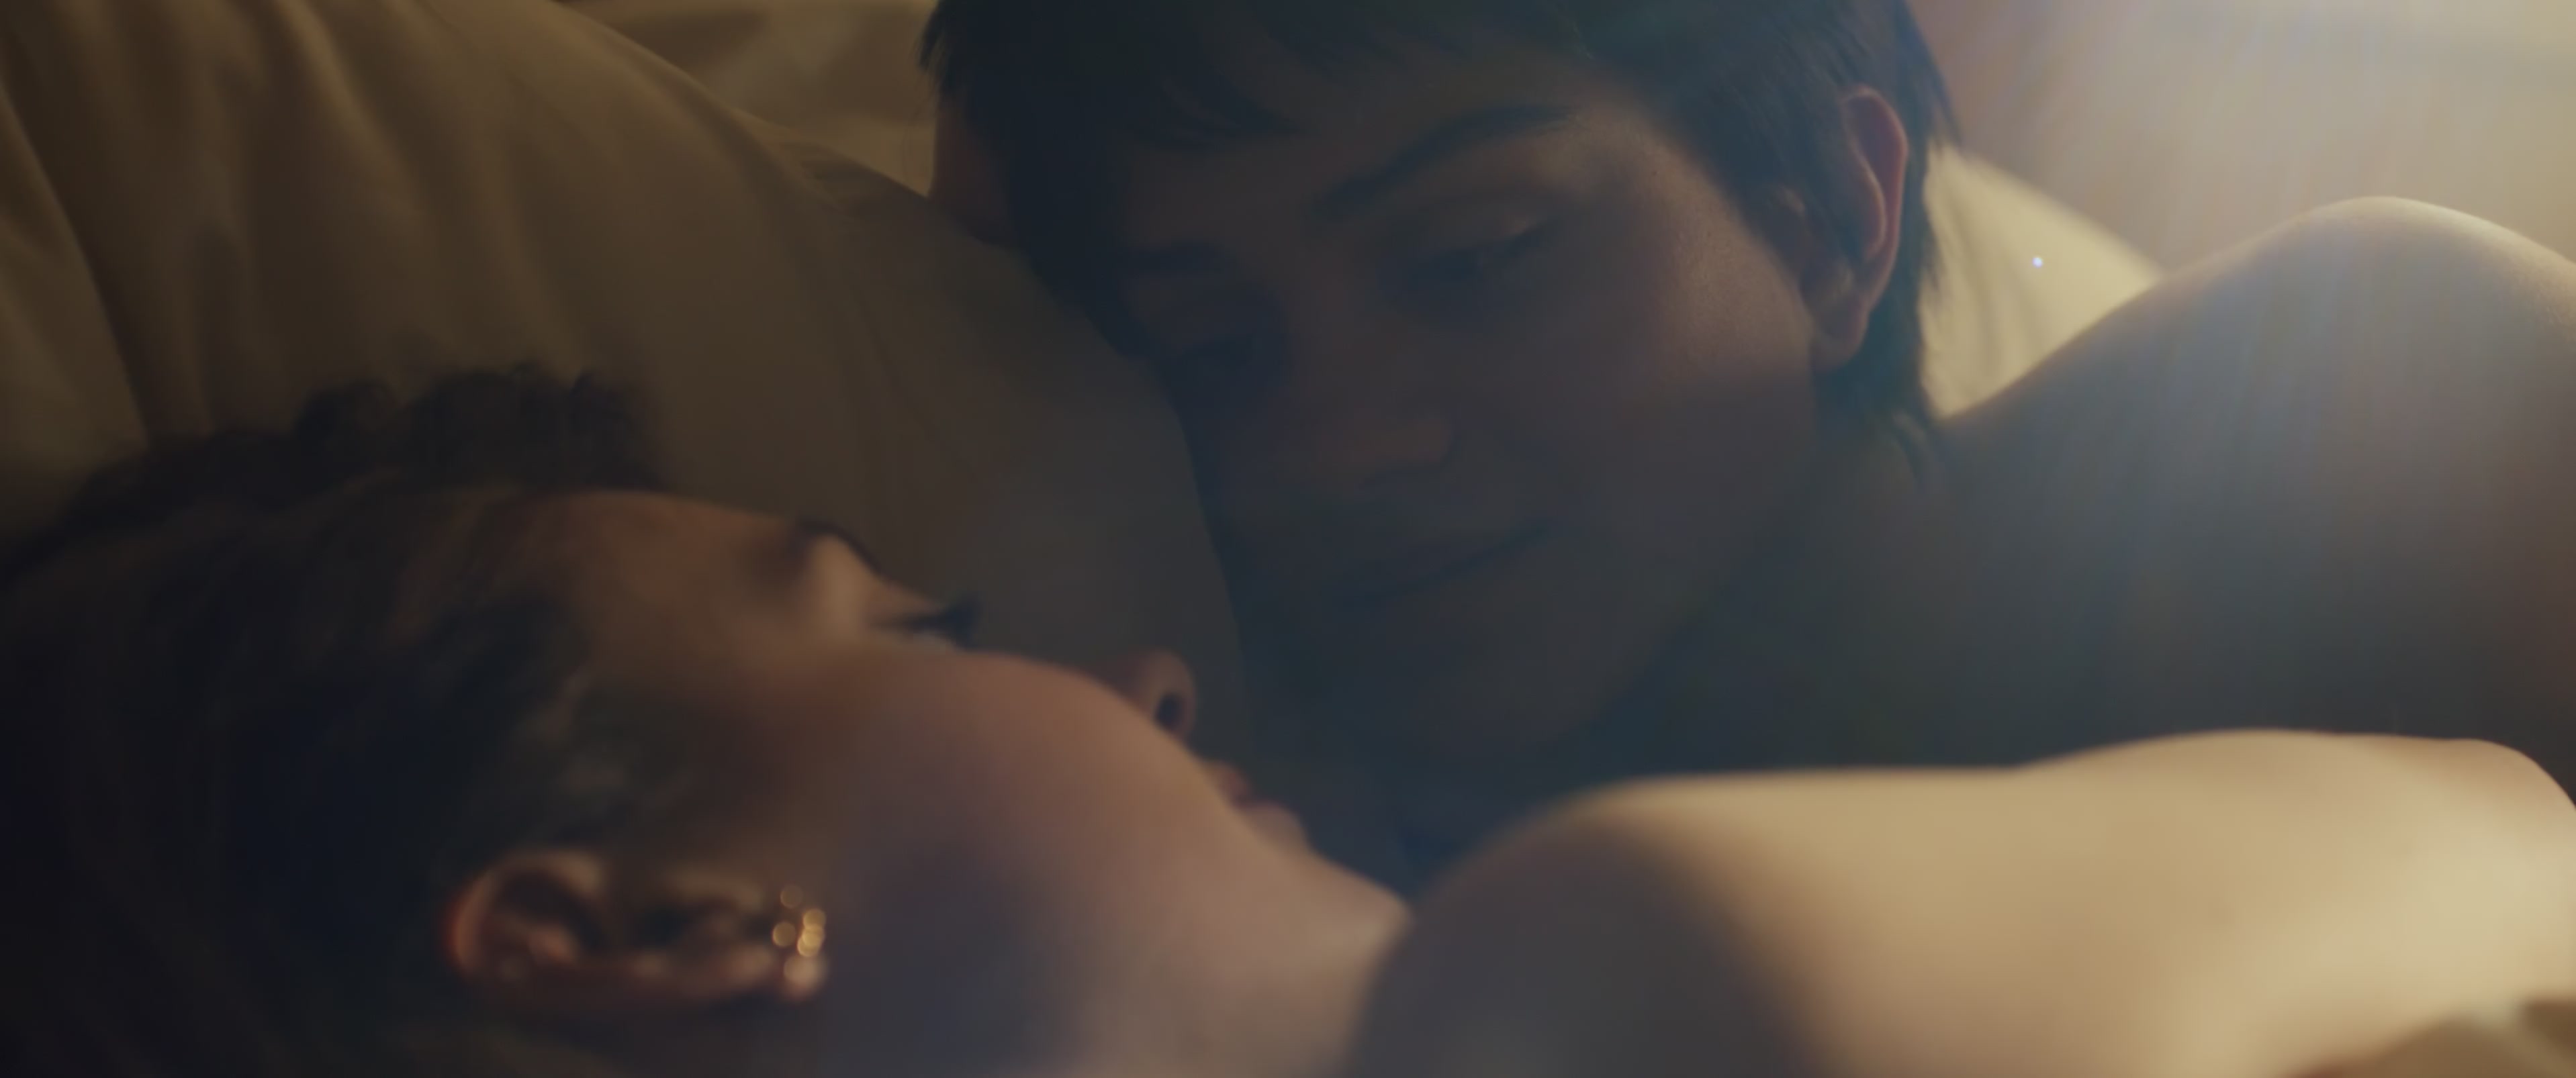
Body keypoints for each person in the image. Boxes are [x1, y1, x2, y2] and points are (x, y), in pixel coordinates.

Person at [9, 369, 2576, 1078]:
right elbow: (2507, 820)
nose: (1147, 668)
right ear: (644, 922)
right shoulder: (1591, 969)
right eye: (917, 628)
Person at [919, 0, 2576, 874]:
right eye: (1214, 351)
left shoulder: (2380, 412)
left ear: (1835, 220)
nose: (1334, 445)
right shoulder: (1288, 846)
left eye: (1476, 256)